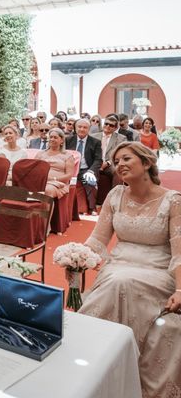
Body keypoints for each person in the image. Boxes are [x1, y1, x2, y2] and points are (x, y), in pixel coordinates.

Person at [77, 142, 181, 398]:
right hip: (119, 265)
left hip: (157, 270)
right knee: (117, 280)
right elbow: (98, 240)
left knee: (120, 283)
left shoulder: (173, 201)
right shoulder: (115, 196)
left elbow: (179, 252)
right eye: (116, 160)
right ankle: (91, 367)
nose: (120, 164)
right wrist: (77, 256)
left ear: (146, 163)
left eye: (126, 158)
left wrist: (180, 289)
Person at [66, 119, 103, 215]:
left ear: (89, 129)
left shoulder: (95, 142)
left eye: (85, 127)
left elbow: (98, 159)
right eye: (79, 127)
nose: (82, 129)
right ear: (75, 128)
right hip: (71, 169)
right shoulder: (68, 140)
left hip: (86, 169)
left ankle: (92, 208)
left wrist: (91, 171)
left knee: (90, 181)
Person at [36, 128, 74, 199]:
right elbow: (33, 170)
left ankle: (45, 210)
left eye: (55, 137)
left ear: (62, 140)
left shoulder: (68, 156)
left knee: (47, 190)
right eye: (51, 137)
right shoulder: (40, 154)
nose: (52, 139)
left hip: (58, 184)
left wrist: (53, 179)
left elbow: (69, 175)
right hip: (40, 181)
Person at [92, 114, 126, 187]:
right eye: (106, 124)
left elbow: (120, 155)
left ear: (116, 128)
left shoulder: (121, 138)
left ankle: (115, 195)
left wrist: (107, 163)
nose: (108, 126)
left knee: (118, 171)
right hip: (95, 163)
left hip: (111, 164)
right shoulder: (93, 136)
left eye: (111, 125)